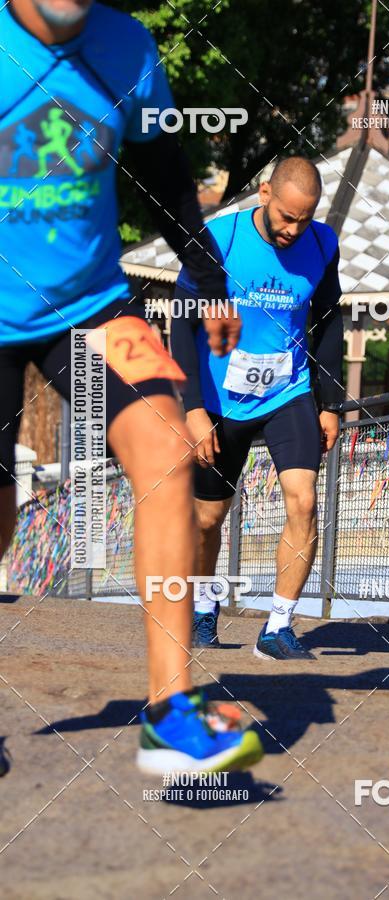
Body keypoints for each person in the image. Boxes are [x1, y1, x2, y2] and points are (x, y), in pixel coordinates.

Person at [0, 0, 263, 775]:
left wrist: (211, 280)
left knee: (169, 449)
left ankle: (173, 714)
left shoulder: (129, 47)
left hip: (91, 306)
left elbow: (165, 175)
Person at [171, 156, 344, 660]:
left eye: (304, 219)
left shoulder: (322, 244)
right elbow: (181, 323)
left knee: (303, 501)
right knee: (208, 519)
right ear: (265, 194)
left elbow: (328, 319)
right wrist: (193, 408)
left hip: (287, 391)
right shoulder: (219, 241)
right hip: (219, 399)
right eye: (287, 217)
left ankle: (277, 628)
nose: (294, 229)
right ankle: (204, 607)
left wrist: (330, 402)